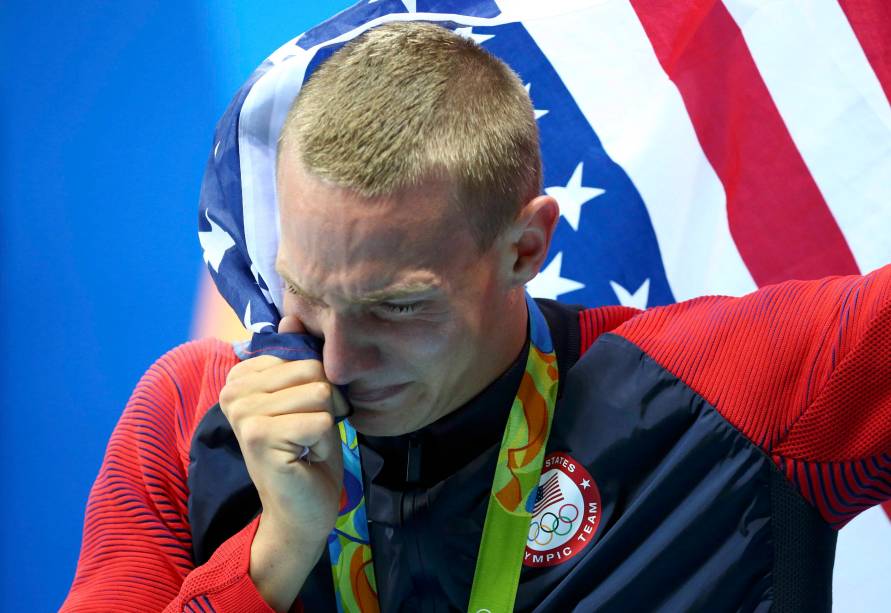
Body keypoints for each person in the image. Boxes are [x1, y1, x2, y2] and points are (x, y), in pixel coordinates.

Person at [61, 21, 890, 613]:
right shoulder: (189, 414)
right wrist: (274, 554)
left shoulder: (730, 391)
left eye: (398, 306)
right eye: (306, 293)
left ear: (526, 246)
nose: (339, 362)